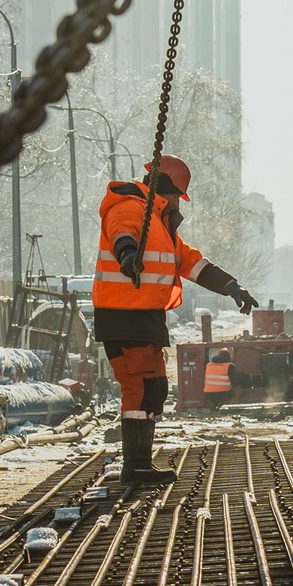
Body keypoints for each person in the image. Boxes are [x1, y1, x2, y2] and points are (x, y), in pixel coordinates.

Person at [96, 155, 259, 483]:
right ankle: (136, 467)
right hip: (125, 314)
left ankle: (140, 463)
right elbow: (122, 233)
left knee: (154, 387)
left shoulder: (159, 223)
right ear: (166, 188)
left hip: (145, 315)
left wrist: (230, 285)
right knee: (140, 387)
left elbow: (191, 262)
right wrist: (128, 255)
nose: (177, 203)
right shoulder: (131, 208)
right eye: (177, 196)